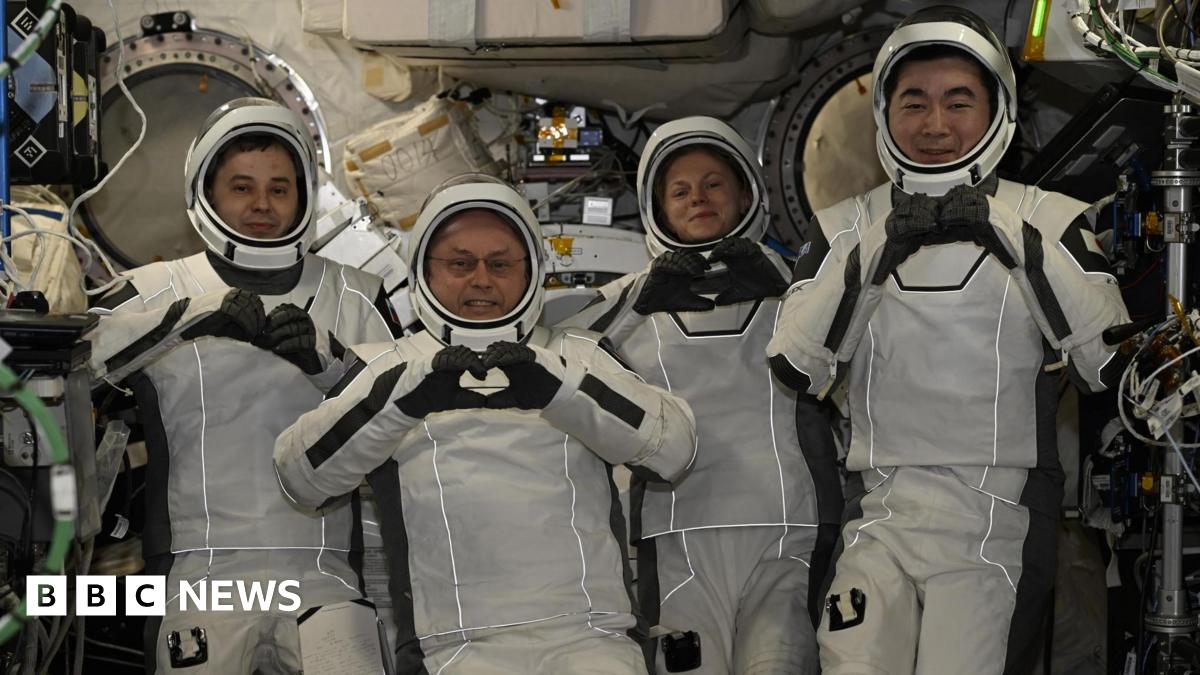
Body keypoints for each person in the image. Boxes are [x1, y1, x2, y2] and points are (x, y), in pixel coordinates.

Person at [766, 7, 1131, 674]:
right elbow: (795, 364)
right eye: (915, 103)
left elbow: (1104, 364)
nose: (935, 124)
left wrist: (1012, 237)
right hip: (880, 509)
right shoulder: (844, 226)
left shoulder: (1051, 219)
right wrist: (877, 248)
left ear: (998, 111)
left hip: (996, 512)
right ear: (884, 114)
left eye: (958, 102)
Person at [272, 176, 698, 674]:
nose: (481, 280)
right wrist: (406, 395)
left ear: (531, 271)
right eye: (460, 263)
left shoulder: (578, 354)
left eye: (500, 264)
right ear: (423, 270)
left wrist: (559, 389)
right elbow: (301, 477)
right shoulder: (384, 368)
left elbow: (674, 452)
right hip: (453, 648)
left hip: (592, 638)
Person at [86, 98, 400, 673]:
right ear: (205, 191)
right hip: (199, 575)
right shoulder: (149, 293)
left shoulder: (359, 297)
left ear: (304, 195)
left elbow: (405, 424)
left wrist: (331, 361)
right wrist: (180, 322)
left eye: (279, 188)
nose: (261, 204)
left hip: (324, 573)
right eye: (241, 187)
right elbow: (65, 379)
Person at [559, 117, 839, 674]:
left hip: (789, 526)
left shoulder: (802, 287)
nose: (698, 199)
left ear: (745, 194)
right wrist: (646, 294)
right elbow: (554, 356)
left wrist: (780, 284)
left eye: (714, 184)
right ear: (658, 209)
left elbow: (857, 348)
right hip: (675, 535)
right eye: (680, 191)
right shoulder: (630, 302)